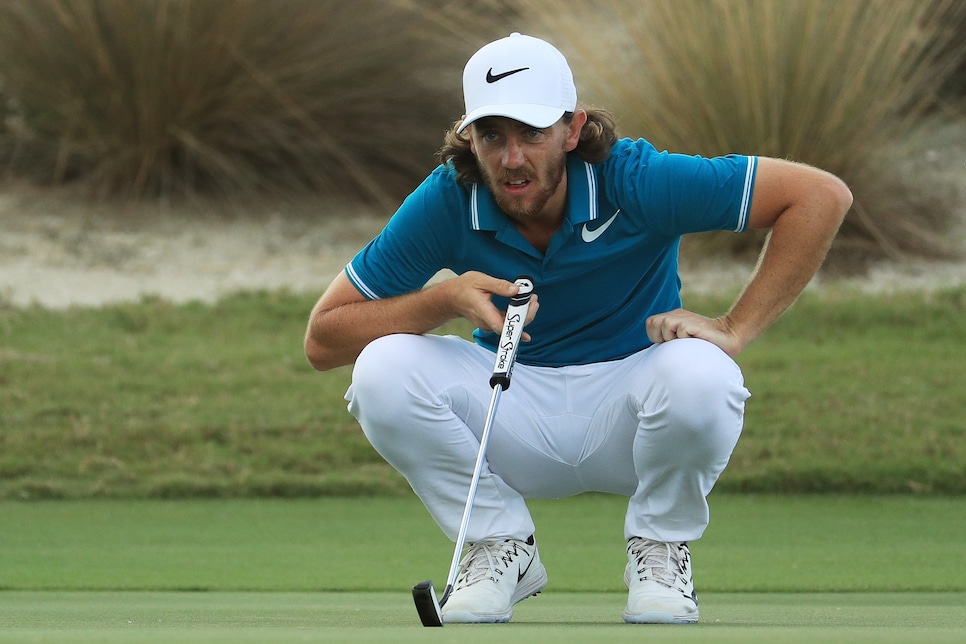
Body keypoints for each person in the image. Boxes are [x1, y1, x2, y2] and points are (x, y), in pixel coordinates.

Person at [304, 32, 852, 624]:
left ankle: (660, 547)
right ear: (470, 137)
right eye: (492, 135)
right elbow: (324, 338)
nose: (512, 158)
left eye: (532, 134)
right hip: (507, 412)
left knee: (705, 371)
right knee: (381, 370)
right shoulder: (449, 198)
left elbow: (819, 196)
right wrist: (445, 299)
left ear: (572, 129)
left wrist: (736, 327)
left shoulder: (636, 179)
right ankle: (497, 545)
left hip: (636, 410)